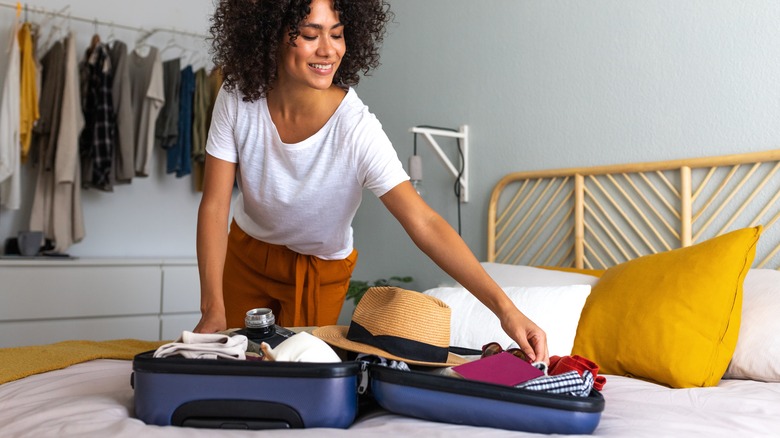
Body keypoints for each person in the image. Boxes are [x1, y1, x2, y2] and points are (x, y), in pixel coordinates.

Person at [194, 0, 550, 364]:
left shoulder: (356, 129)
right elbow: (215, 204)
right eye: (309, 34)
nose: (328, 50)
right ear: (270, 36)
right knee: (230, 370)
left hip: (320, 271)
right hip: (246, 256)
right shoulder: (237, 95)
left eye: (337, 34)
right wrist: (212, 306)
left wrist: (507, 310)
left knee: (294, 380)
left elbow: (424, 222)